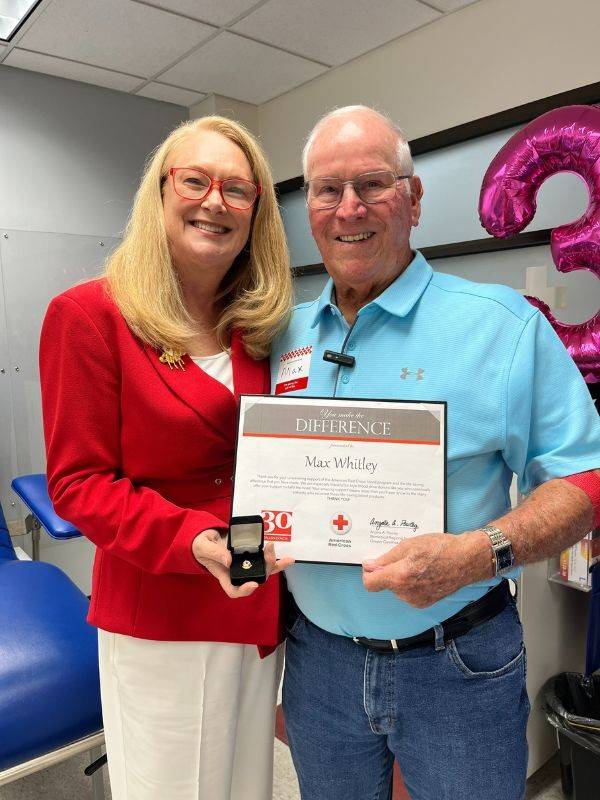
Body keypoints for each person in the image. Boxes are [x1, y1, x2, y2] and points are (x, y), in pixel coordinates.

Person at [271, 105, 600, 800]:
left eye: (373, 184)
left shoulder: (502, 327)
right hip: (318, 665)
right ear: (310, 211)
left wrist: (480, 553)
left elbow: (585, 477)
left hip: (458, 666)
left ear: (414, 201)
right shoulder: (281, 335)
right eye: (327, 190)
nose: (348, 207)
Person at [40, 115, 294, 800]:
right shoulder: (89, 315)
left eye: (238, 190)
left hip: (255, 599)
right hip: (163, 612)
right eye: (195, 180)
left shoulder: (261, 326)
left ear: (255, 214)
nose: (215, 201)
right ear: (159, 194)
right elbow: (79, 485)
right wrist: (197, 543)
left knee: (247, 785)